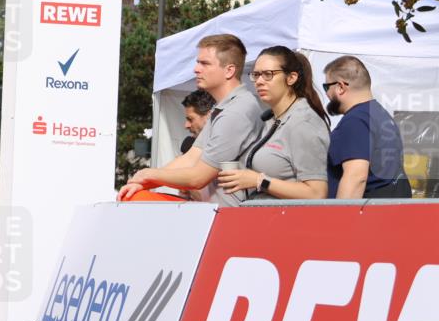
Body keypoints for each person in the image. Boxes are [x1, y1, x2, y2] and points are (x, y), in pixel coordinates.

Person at [118, 34, 264, 206]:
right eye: (198, 62)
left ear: (229, 71)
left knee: (135, 199)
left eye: (205, 63)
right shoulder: (225, 106)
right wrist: (142, 181)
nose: (196, 69)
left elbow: (198, 178)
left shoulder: (237, 111)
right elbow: (190, 157)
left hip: (229, 217)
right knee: (134, 195)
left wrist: (149, 175)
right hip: (210, 211)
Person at [216, 47, 330, 201]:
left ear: (291, 78)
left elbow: (316, 193)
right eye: (256, 75)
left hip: (288, 221)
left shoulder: (303, 123)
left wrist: (259, 181)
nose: (259, 81)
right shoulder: (271, 119)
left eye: (268, 74)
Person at [321, 56, 411, 198]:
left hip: (367, 214)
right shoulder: (380, 114)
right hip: (387, 211)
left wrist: (339, 218)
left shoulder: (356, 121)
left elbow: (356, 177)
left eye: (326, 87)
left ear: (340, 87)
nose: (326, 94)